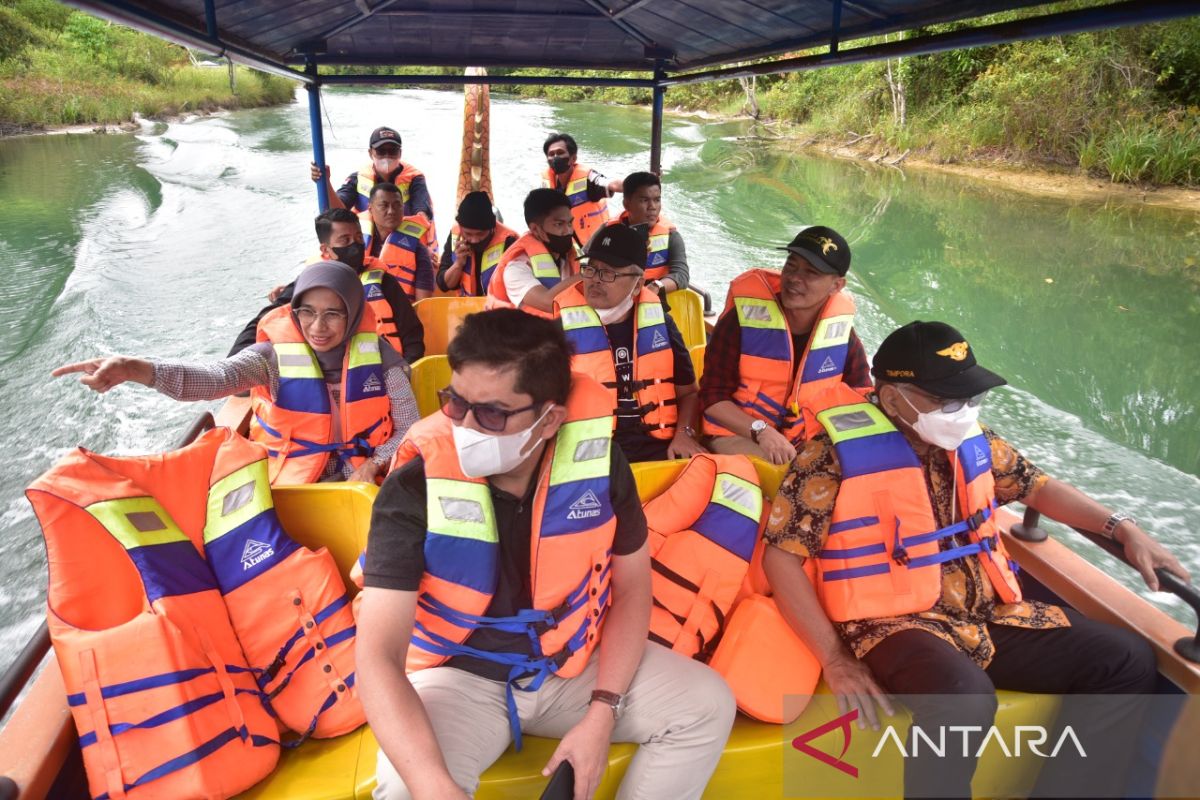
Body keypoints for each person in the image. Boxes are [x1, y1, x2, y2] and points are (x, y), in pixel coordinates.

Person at [764, 320, 1189, 799]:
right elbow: (781, 560)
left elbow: (1038, 487)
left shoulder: (972, 441)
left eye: (968, 398)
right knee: (962, 701)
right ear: (892, 398)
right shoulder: (828, 457)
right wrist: (835, 659)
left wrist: (1122, 529)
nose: (962, 411)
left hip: (985, 612)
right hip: (890, 624)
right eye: (946, 400)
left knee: (1124, 660)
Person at [356, 309, 735, 800]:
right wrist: (433, 786)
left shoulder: (597, 464)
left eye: (491, 413)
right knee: (407, 790)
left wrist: (603, 711)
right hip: (457, 680)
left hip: (572, 666)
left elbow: (633, 588)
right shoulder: (414, 485)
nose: (466, 426)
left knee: (706, 703)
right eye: (455, 403)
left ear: (550, 417)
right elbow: (378, 656)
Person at [54, 261, 420, 486]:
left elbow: (408, 426)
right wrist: (136, 369)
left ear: (353, 313)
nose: (317, 326)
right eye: (307, 311)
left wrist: (373, 466)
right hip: (291, 486)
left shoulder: (382, 360)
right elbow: (214, 379)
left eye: (333, 314)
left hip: (367, 481)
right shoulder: (270, 358)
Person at [699, 225, 871, 464]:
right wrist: (762, 431)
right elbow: (711, 397)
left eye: (811, 273)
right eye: (791, 265)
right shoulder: (741, 320)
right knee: (789, 473)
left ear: (836, 286)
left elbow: (860, 399)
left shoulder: (843, 338)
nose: (794, 279)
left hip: (804, 441)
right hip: (737, 433)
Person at [556, 223, 705, 463]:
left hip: (660, 449)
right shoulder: (559, 330)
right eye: (590, 269)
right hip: (588, 455)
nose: (595, 280)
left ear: (637, 284)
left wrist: (684, 433)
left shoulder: (662, 325)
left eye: (608, 273)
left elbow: (688, 393)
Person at [229, 208, 425, 362]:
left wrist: (406, 368)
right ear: (326, 249)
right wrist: (239, 359)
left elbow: (411, 333)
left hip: (383, 366)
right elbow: (265, 319)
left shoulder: (384, 281)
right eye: (345, 240)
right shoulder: (309, 283)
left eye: (358, 238)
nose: (355, 245)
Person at [310, 126, 439, 256]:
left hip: (407, 244)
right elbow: (337, 213)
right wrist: (325, 182)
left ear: (400, 153)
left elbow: (422, 214)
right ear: (371, 153)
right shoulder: (358, 178)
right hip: (366, 245)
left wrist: (419, 249)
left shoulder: (415, 179)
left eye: (392, 151)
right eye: (381, 151)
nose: (387, 156)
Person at [486, 189, 581, 319]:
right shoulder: (516, 268)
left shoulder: (568, 257)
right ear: (535, 229)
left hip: (558, 335)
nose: (568, 231)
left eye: (570, 223)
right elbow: (549, 302)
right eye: (559, 224)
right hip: (519, 338)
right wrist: (587, 277)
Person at [606, 171, 689, 298]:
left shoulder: (671, 235)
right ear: (626, 204)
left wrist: (656, 287)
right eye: (644, 200)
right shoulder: (608, 232)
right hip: (614, 300)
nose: (652, 207)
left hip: (653, 306)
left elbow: (681, 275)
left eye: (657, 200)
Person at [542, 133, 622, 245]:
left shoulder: (588, 179)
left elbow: (611, 184)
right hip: (566, 243)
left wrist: (637, 184)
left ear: (573, 158)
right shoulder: (547, 182)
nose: (555, 157)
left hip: (594, 246)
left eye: (560, 153)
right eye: (551, 154)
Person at [362, 183, 436, 302]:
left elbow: (423, 303)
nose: (391, 211)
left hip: (403, 317)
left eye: (397, 205)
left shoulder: (418, 250)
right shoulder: (357, 244)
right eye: (384, 205)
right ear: (370, 209)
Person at [436, 191, 519, 297]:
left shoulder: (509, 240)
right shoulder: (455, 235)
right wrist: (458, 264)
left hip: (499, 309)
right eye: (468, 234)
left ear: (492, 228)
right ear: (460, 227)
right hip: (466, 307)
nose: (474, 240)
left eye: (480, 234)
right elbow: (444, 285)